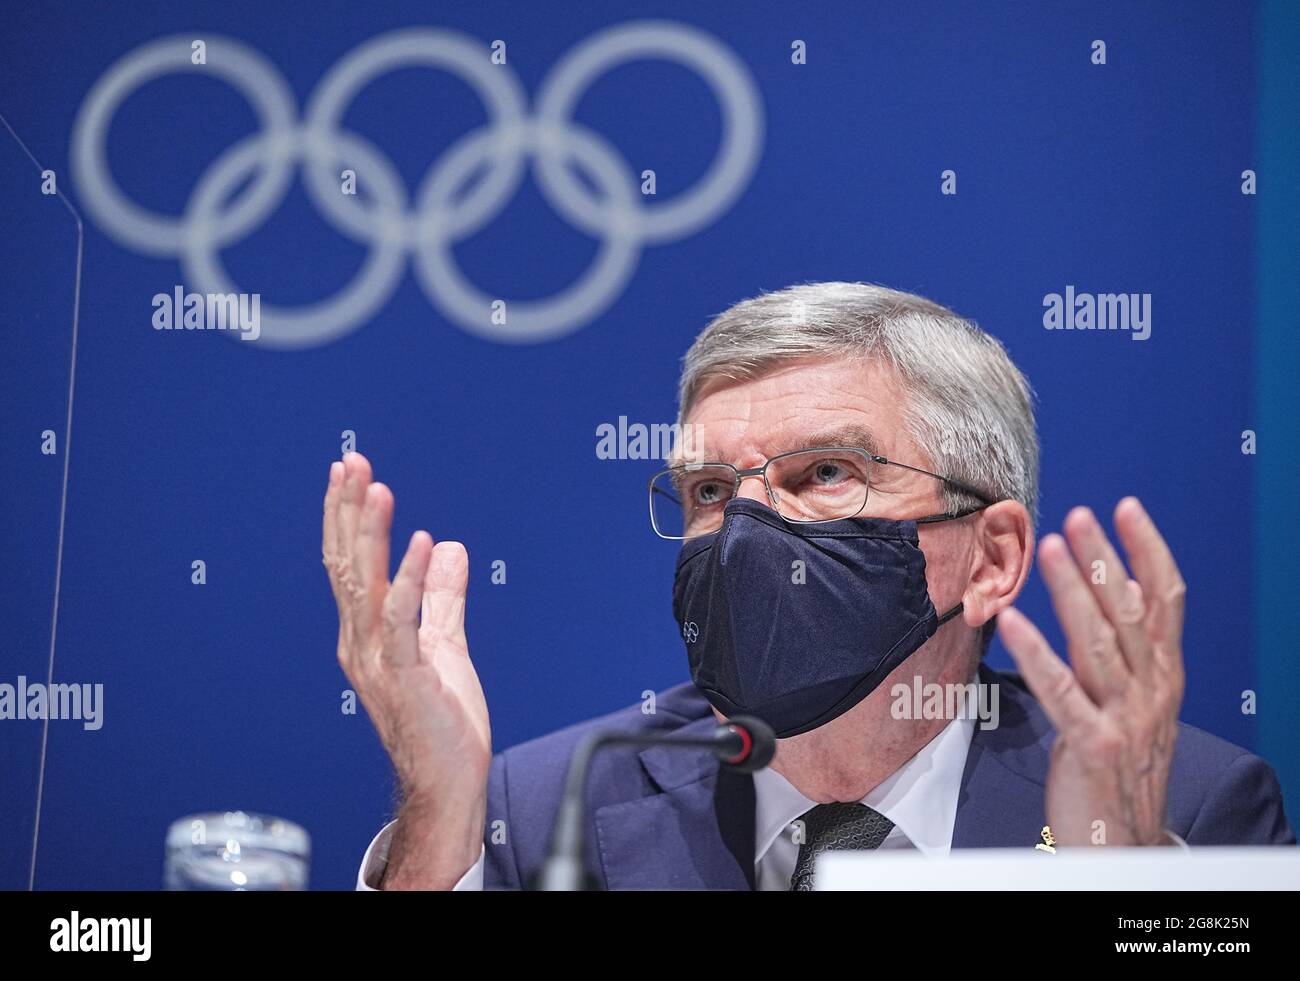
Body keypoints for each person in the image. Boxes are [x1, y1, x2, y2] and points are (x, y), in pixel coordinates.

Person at [321, 282, 1294, 891]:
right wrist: (436, 821)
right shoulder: (539, 808)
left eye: (822, 474)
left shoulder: (1192, 810)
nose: (747, 532)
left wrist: (1117, 890)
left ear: (990, 556)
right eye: (710, 490)